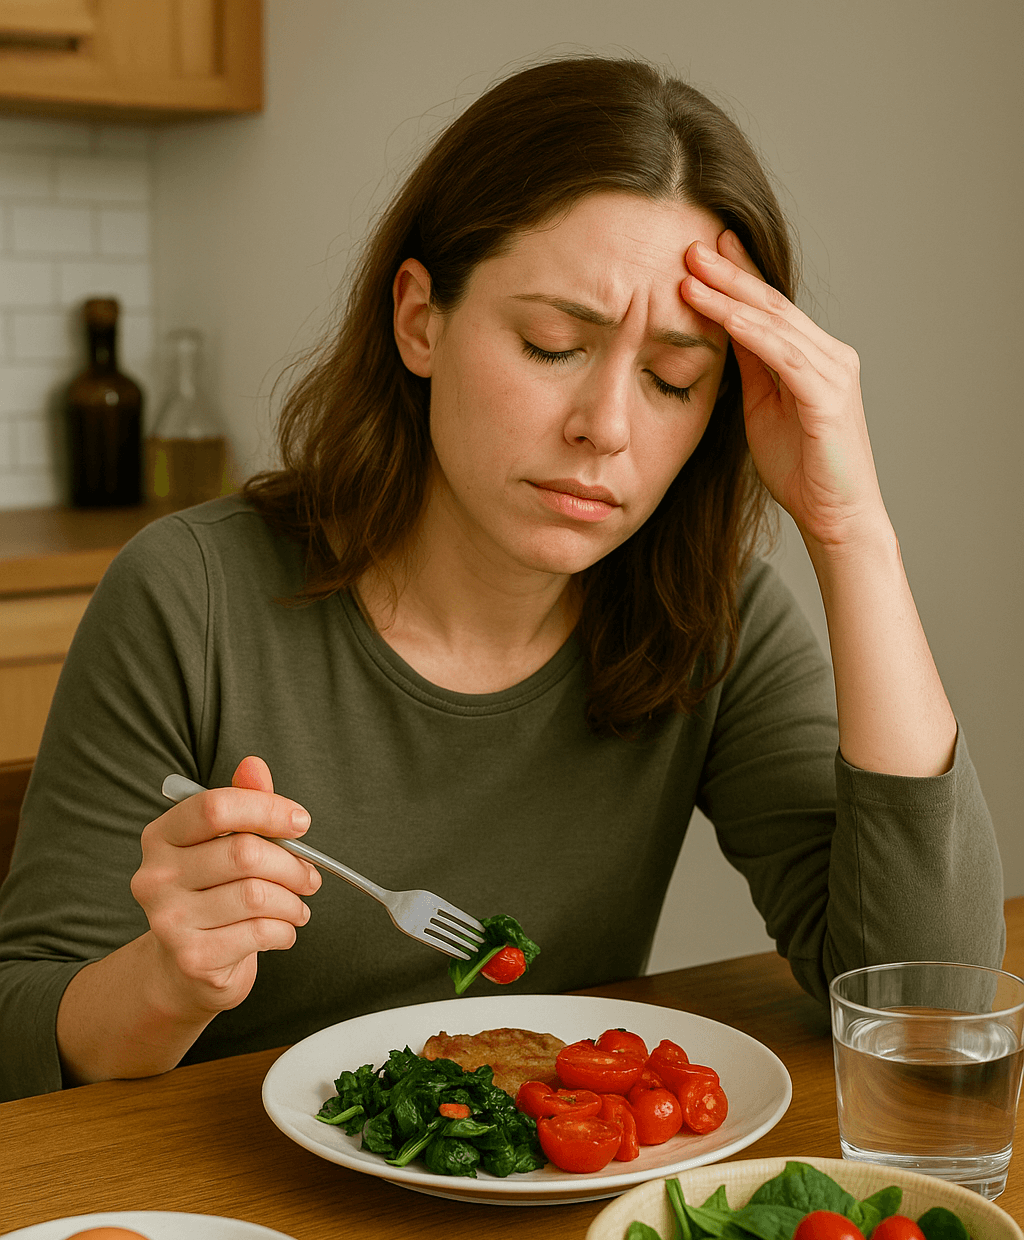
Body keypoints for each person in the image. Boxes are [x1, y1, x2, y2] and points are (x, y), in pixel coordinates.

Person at [0, 57, 1003, 1103]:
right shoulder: (191, 594)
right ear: (419, 318)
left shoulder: (712, 619)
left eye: (673, 379)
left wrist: (853, 532)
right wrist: (166, 983)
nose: (606, 428)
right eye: (552, 344)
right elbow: (19, 1031)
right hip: (239, 1224)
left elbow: (933, 1015)